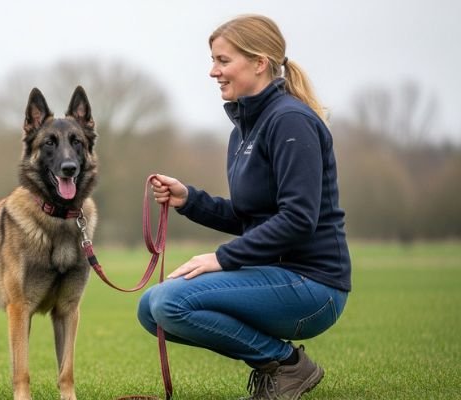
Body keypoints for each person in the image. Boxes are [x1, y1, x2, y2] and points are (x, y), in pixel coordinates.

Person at [137, 14, 351, 400]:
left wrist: (222, 258)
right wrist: (189, 199)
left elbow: (299, 219)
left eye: (222, 61)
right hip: (274, 274)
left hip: (314, 286)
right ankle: (277, 365)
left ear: (259, 63)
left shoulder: (290, 122)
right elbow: (251, 217)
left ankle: (287, 366)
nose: (213, 71)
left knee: (170, 302)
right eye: (213, 60)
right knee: (151, 308)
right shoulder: (244, 130)